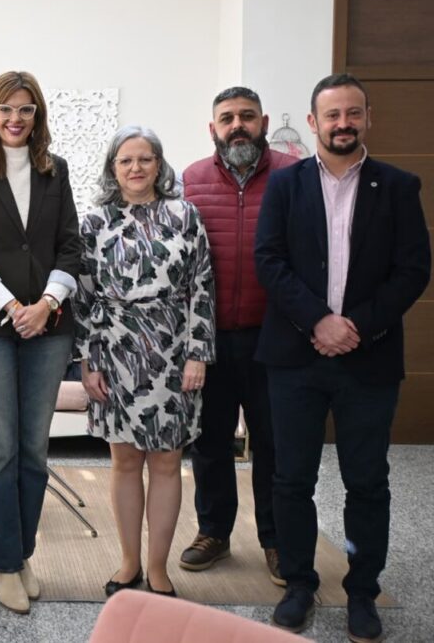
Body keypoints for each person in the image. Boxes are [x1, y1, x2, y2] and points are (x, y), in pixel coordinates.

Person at [255, 74, 430, 639]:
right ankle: (301, 582)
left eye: (352, 113)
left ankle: (362, 591)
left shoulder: (399, 187)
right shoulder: (284, 186)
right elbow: (270, 261)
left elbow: (413, 270)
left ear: (367, 117)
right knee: (291, 479)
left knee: (368, 482)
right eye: (331, 115)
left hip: (368, 359)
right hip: (295, 358)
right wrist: (319, 321)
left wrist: (355, 326)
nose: (342, 123)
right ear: (312, 122)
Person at [0, 71, 80, 614]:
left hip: (50, 326)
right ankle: (1, 564)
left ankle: (20, 553)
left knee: (33, 447)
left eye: (25, 109)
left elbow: (70, 246)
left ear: (37, 115)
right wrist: (11, 306)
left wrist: (46, 304)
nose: (15, 118)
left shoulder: (56, 169)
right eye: (6, 109)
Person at [74, 125, 215, 601]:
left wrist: (198, 352)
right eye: (126, 161)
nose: (136, 168)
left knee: (168, 460)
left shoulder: (184, 215)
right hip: (114, 350)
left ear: (160, 164)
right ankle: (129, 562)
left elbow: (201, 287)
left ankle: (158, 568)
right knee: (125, 459)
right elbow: (84, 296)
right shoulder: (93, 221)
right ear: (113, 169)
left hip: (173, 350)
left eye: (145, 159)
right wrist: (87, 359)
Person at [180, 87, 296, 584]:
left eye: (247, 116)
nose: (237, 125)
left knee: (273, 441)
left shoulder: (295, 175)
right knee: (209, 441)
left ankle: (274, 538)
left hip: (276, 335)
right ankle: (214, 533)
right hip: (211, 338)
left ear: (264, 121)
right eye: (226, 118)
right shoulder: (191, 178)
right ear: (212, 128)